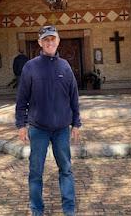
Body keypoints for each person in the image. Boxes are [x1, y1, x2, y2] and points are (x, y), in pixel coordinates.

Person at [15, 25, 81, 216]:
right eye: (46, 40)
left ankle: (69, 210)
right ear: (40, 43)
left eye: (52, 39)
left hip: (61, 129)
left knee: (66, 170)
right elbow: (22, 100)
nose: (49, 42)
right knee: (36, 173)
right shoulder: (30, 67)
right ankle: (37, 210)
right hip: (38, 129)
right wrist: (21, 125)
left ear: (58, 41)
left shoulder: (65, 66)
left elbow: (74, 97)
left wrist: (76, 123)